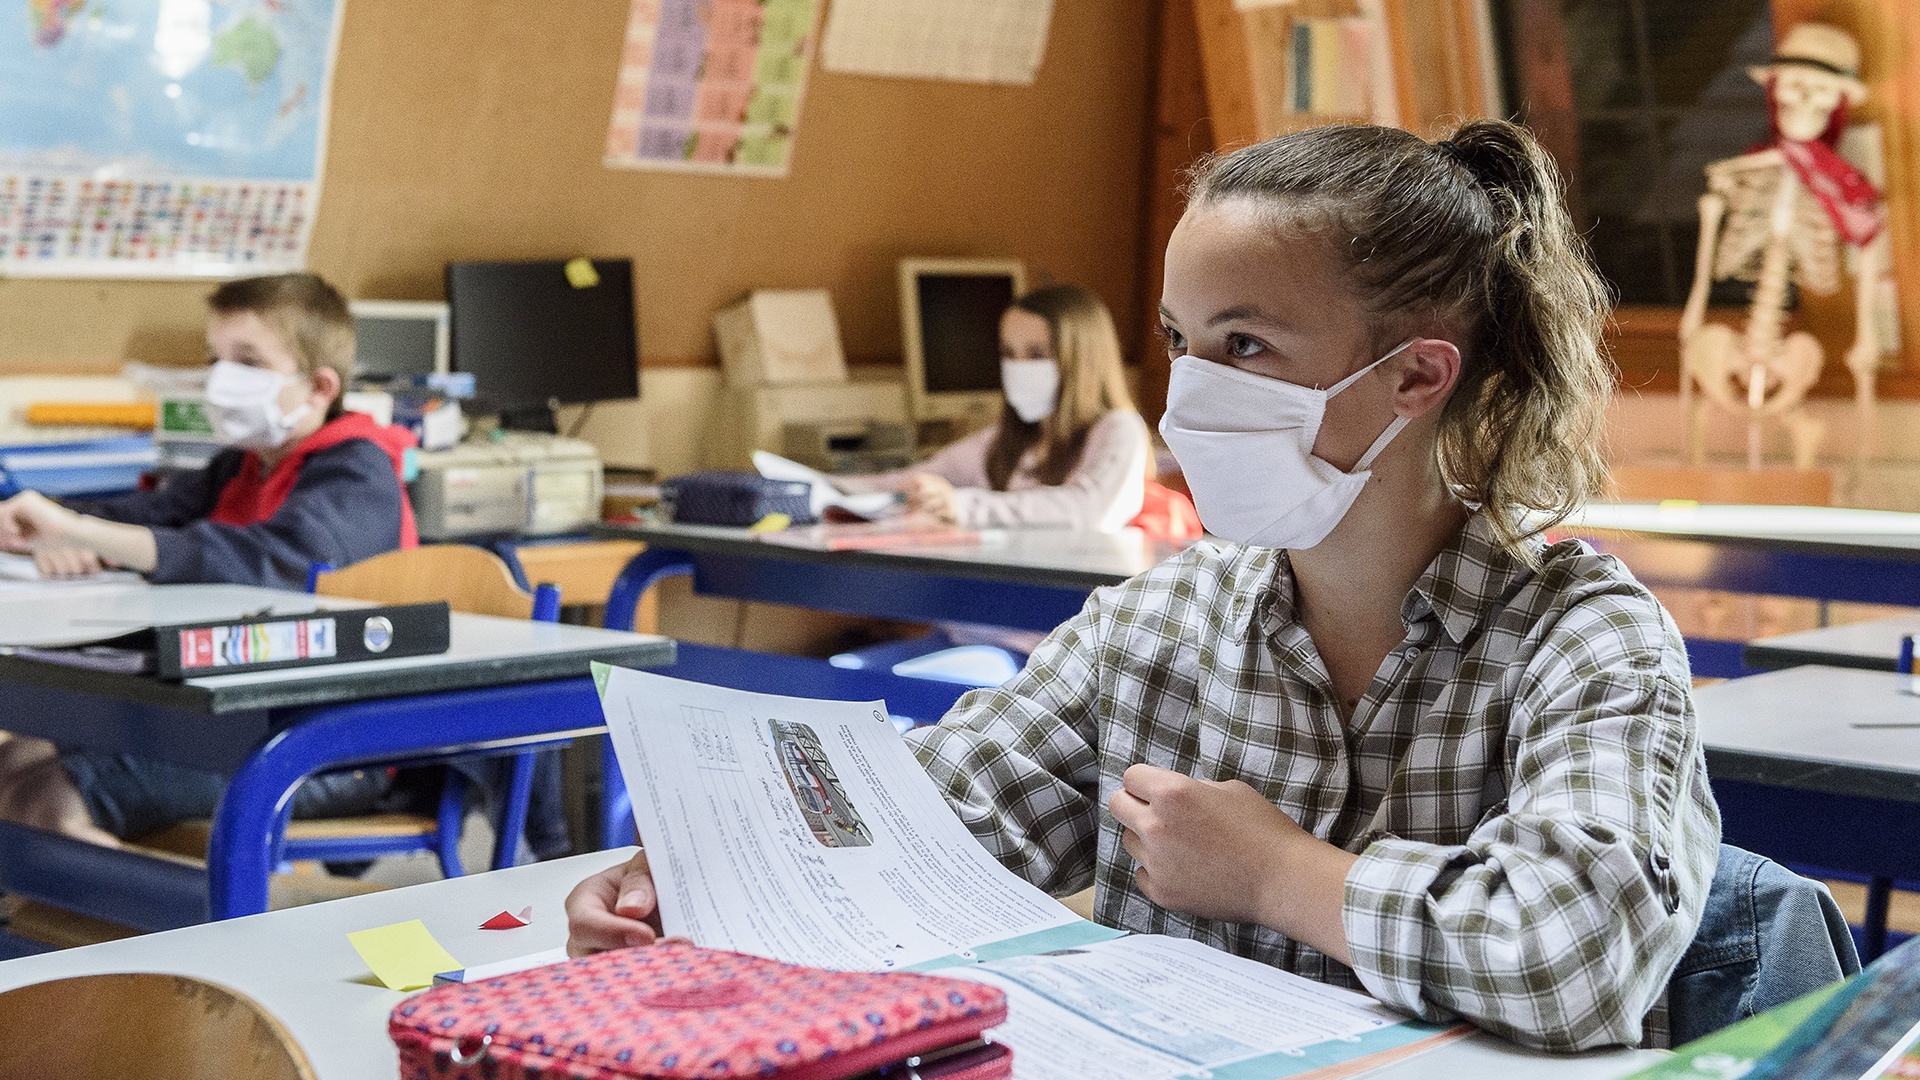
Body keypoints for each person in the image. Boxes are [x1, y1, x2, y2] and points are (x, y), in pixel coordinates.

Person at [565, 120, 1721, 1052]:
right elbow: (929, 817)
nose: (1191, 393)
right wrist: (701, 879)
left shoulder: (1585, 637)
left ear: (1416, 375)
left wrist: (1277, 874)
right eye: (1180, 339)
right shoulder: (1163, 621)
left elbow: (1583, 952)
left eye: (1248, 346)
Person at [0, 272, 419, 846]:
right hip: (227, 719)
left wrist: (84, 534)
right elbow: (149, 514)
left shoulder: (357, 473)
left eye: (247, 360)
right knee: (12, 759)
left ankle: (152, 930)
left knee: (46, 798)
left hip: (329, 745)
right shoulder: (242, 466)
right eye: (216, 357)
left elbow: (265, 560)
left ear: (320, 386)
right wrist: (43, 522)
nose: (223, 378)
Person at [838, 284, 1151, 534]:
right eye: (1008, 353)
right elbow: (915, 479)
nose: (1018, 367)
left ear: (1084, 358)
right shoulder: (1005, 442)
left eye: (1037, 353)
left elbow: (1087, 509)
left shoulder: (1119, 429)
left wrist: (962, 506)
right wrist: (823, 487)